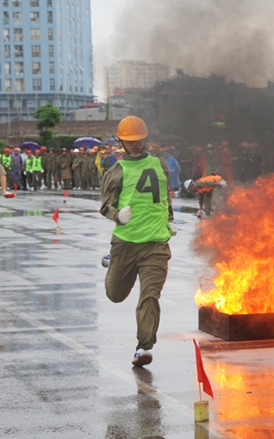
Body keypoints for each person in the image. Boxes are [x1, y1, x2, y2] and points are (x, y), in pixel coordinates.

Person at [99, 116, 176, 367]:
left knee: (150, 295)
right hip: (126, 243)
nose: (135, 144)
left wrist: (170, 220)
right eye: (129, 141)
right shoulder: (117, 171)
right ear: (121, 141)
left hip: (156, 244)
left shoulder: (160, 165)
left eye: (139, 140)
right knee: (115, 294)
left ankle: (144, 346)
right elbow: (105, 206)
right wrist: (117, 216)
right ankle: (112, 264)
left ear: (146, 138)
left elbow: (165, 197)